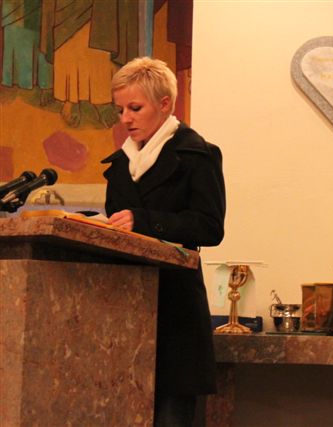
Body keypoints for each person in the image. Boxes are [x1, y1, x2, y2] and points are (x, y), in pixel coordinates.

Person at [102, 57, 225, 426]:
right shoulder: (119, 165)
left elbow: (209, 227)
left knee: (170, 416)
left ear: (165, 104)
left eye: (135, 108)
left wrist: (144, 221)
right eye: (120, 110)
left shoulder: (198, 155)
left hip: (175, 308)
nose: (125, 119)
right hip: (124, 305)